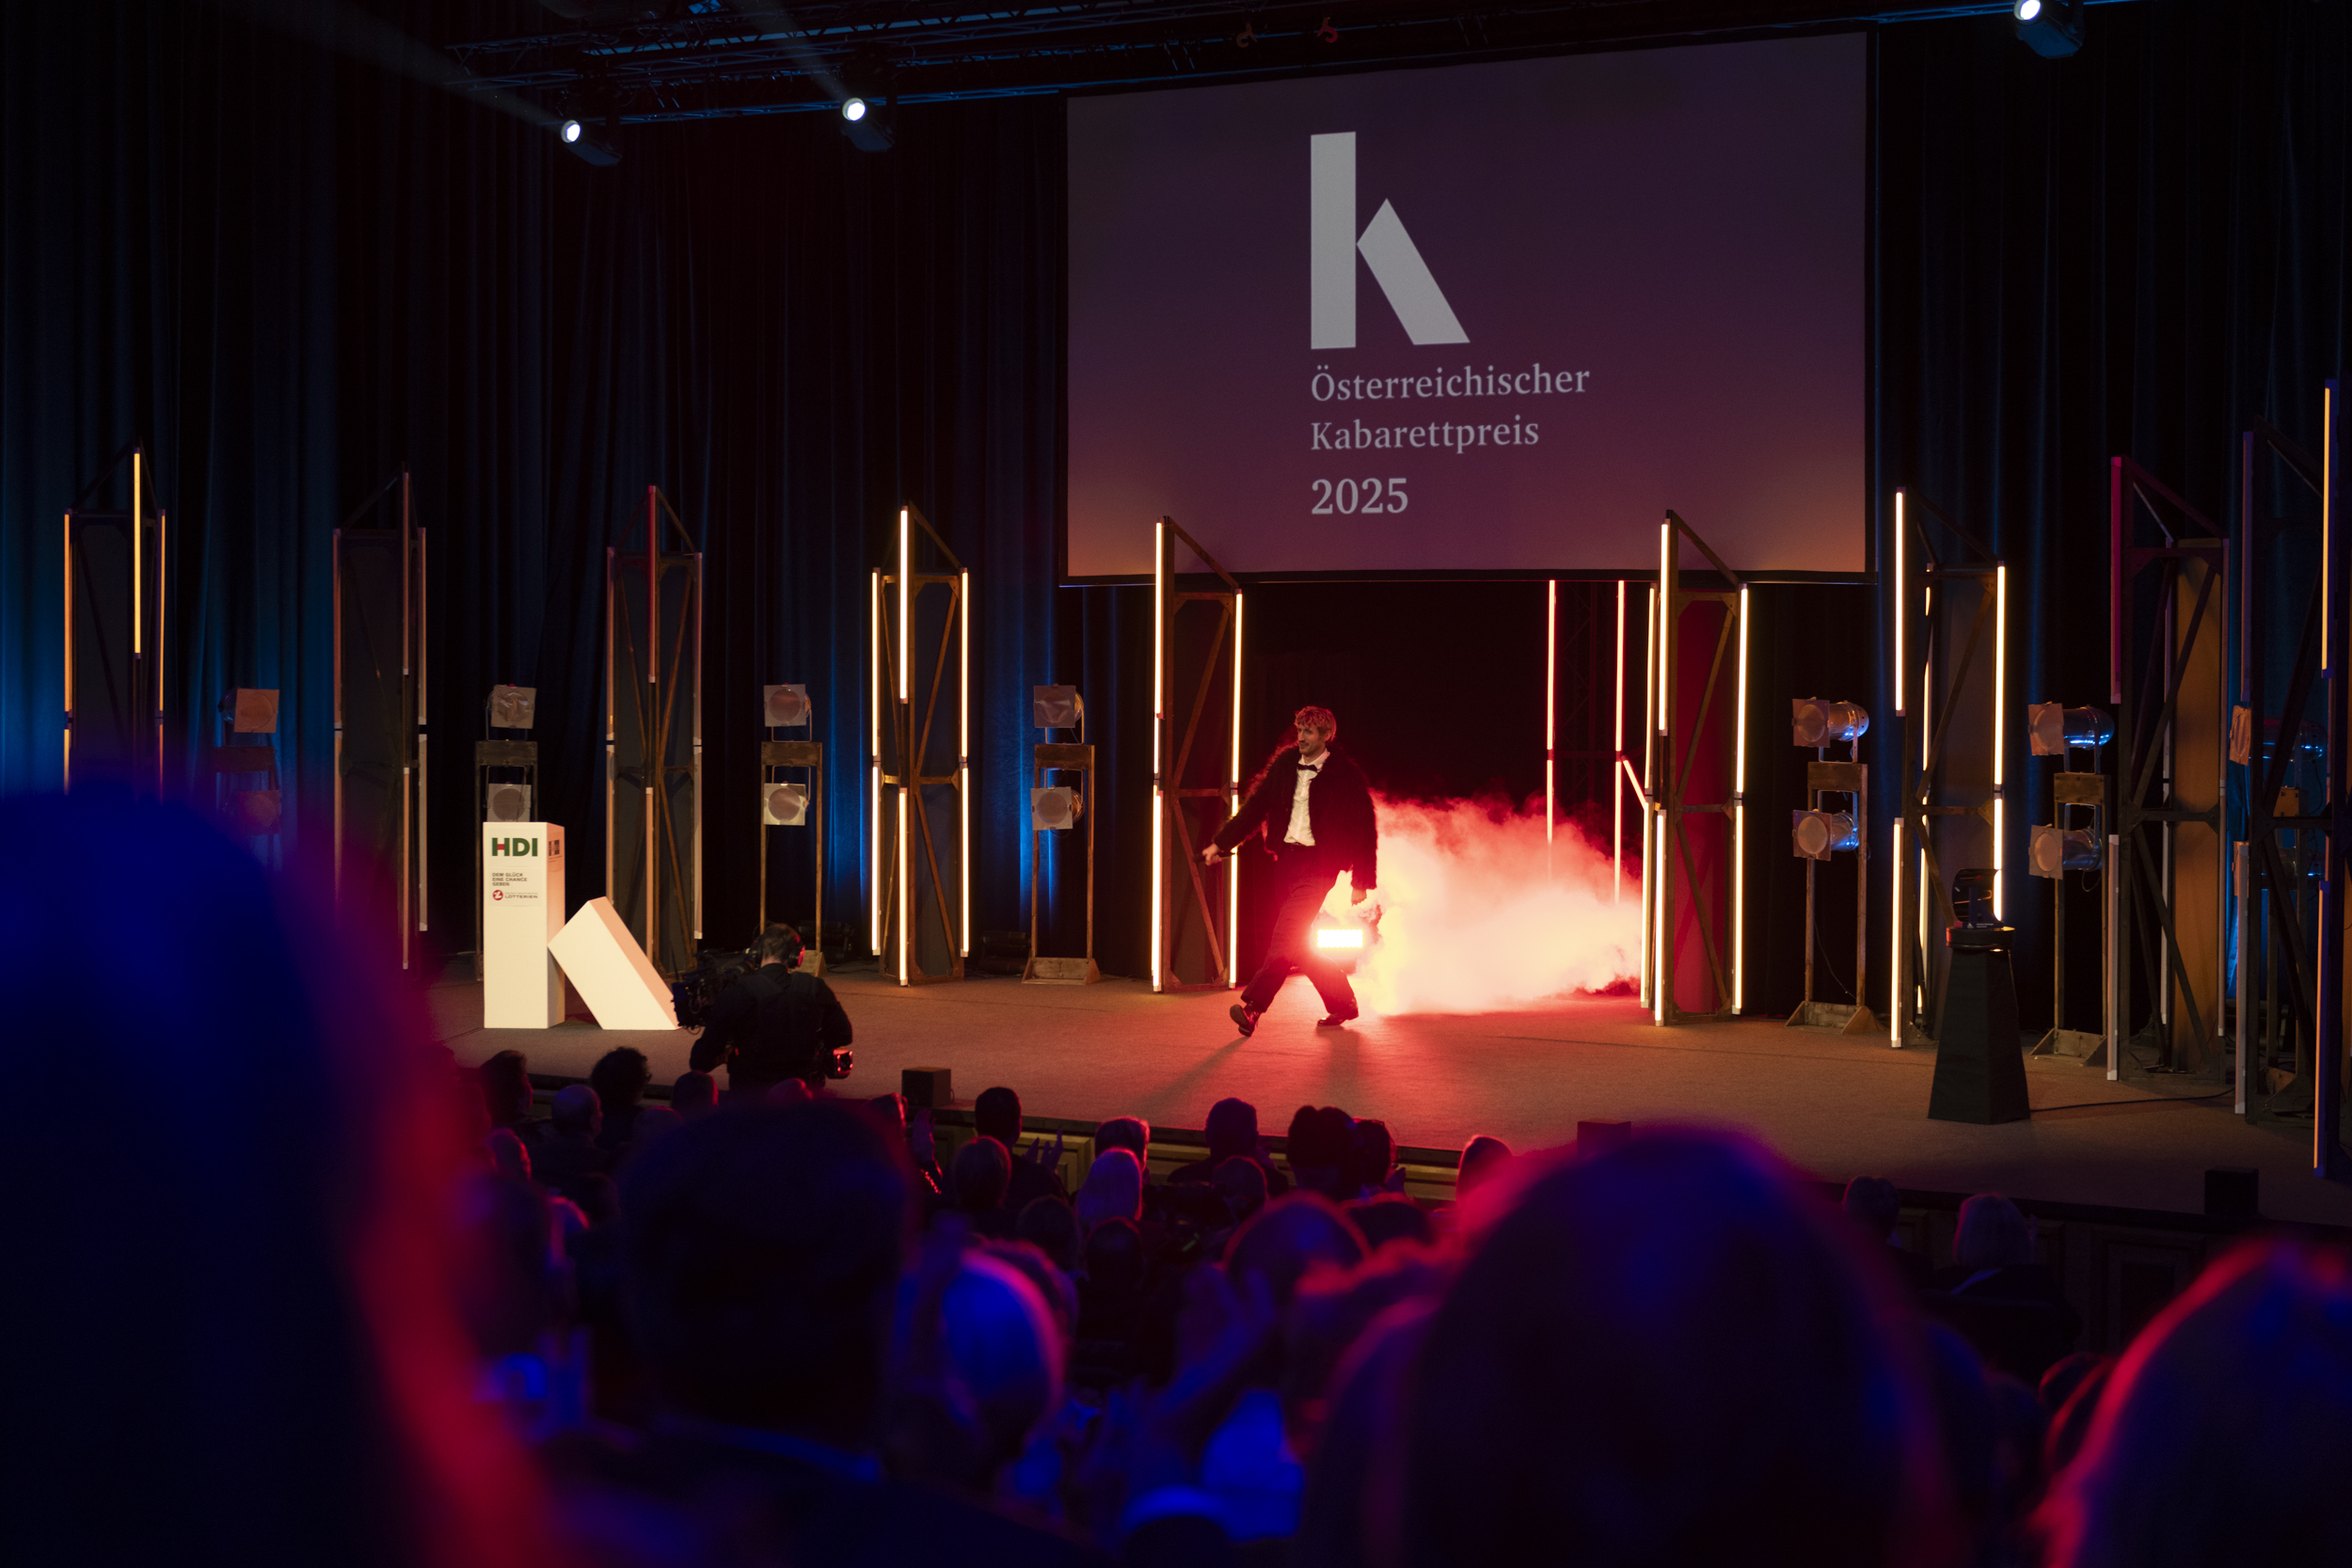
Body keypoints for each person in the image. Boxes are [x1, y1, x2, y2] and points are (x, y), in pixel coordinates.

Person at [1202, 705, 1378, 1036]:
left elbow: (1365, 827)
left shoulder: (1345, 774)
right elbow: (1256, 807)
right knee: (1297, 944)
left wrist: (1362, 880)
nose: (1301, 737)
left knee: (1284, 939)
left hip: (1319, 866)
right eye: (1299, 730)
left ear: (1327, 735)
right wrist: (1221, 843)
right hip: (1286, 864)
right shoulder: (1285, 765)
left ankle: (1253, 1008)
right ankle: (1343, 1003)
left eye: (1308, 731)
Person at [690, 924, 851, 1099]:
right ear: (798, 955)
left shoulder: (738, 993)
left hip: (751, 1100)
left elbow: (700, 1061)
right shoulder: (815, 987)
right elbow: (843, 1035)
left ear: (757, 953)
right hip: (804, 1096)